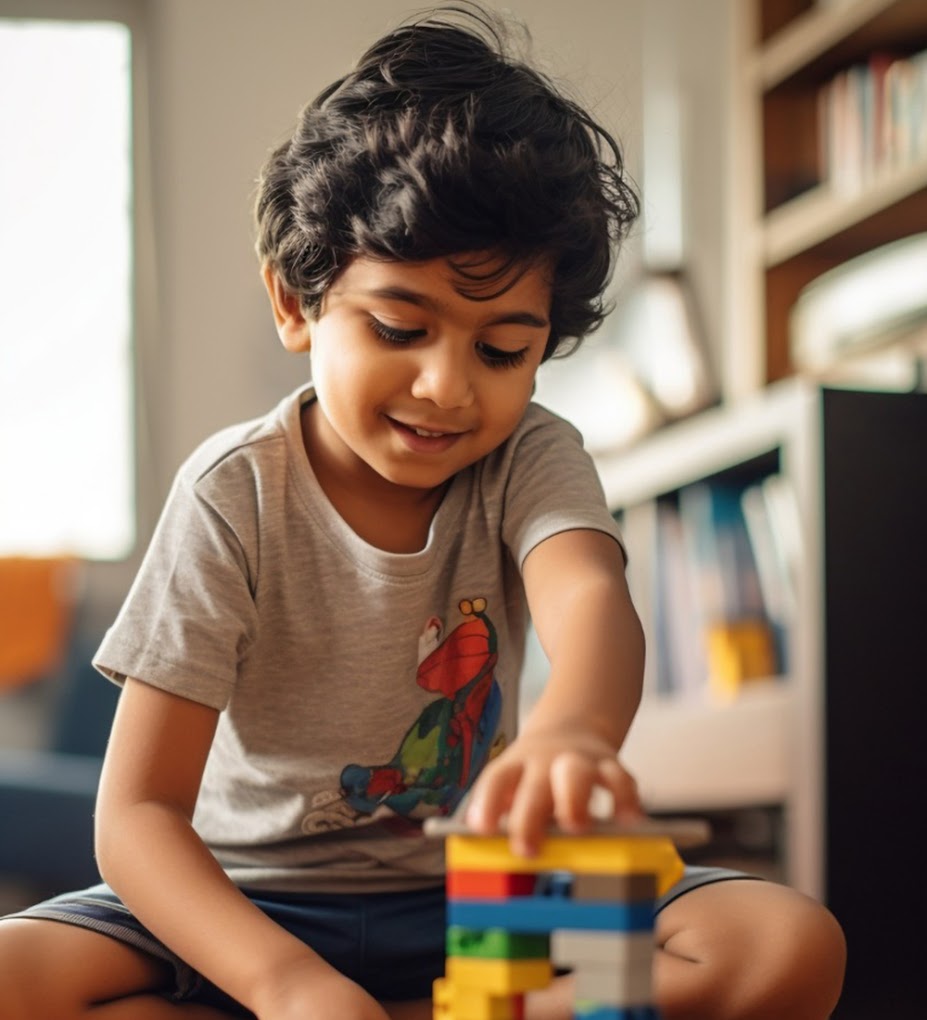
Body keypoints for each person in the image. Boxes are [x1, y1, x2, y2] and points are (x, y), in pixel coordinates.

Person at [0, 5, 845, 1019]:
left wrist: (573, 735)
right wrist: (286, 984)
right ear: (296, 303)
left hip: (486, 890)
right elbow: (136, 816)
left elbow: (588, 599)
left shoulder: (533, 457)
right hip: (251, 907)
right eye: (401, 328)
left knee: (784, 945)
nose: (447, 387)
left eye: (502, 350)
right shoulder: (234, 491)